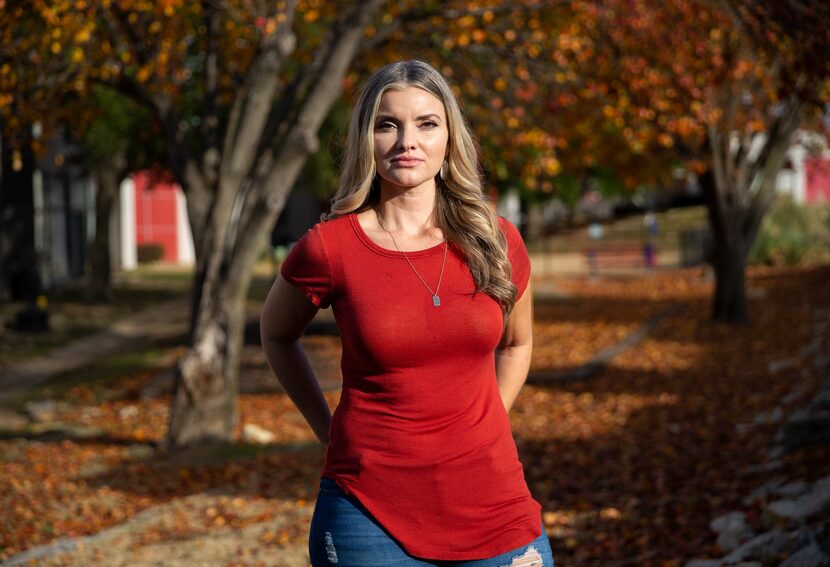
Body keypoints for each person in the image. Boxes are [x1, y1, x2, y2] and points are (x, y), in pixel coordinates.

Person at [260, 60, 553, 566]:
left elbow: (517, 343)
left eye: (426, 123)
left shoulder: (497, 241)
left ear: (449, 138)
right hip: (368, 515)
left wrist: (485, 421)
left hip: (495, 506)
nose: (406, 141)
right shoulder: (330, 247)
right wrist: (328, 433)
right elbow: (276, 335)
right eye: (387, 124)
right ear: (366, 139)